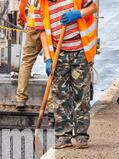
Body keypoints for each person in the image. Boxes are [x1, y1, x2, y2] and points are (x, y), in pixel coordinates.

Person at [34, 0, 98, 149]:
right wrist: (48, 58)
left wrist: (78, 13)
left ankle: (81, 135)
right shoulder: (38, 3)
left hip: (80, 51)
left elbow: (94, 7)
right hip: (58, 53)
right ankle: (63, 136)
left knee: (81, 94)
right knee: (60, 96)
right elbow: (42, 31)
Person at [16, 0, 43, 110]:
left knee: (27, 61)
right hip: (49, 26)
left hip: (33, 24)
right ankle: (51, 100)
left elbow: (23, 2)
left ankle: (21, 99)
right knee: (51, 60)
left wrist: (21, 17)